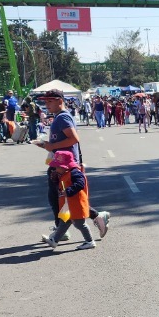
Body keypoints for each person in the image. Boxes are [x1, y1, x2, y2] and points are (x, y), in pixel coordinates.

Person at [35, 89, 111, 242]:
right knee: (61, 199)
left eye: (50, 101)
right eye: (45, 101)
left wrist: (51, 146)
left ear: (60, 101)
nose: (46, 104)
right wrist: (47, 145)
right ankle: (66, 228)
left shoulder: (62, 118)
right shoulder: (59, 117)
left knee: (61, 199)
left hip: (65, 166)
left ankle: (70, 228)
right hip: (61, 163)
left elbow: (74, 139)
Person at [43, 150, 97, 250]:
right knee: (63, 222)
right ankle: (54, 241)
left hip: (76, 204)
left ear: (66, 166)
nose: (56, 169)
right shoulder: (64, 174)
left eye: (58, 167)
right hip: (68, 204)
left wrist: (68, 191)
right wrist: (55, 180)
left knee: (80, 224)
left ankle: (90, 241)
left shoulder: (75, 173)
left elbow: (80, 184)